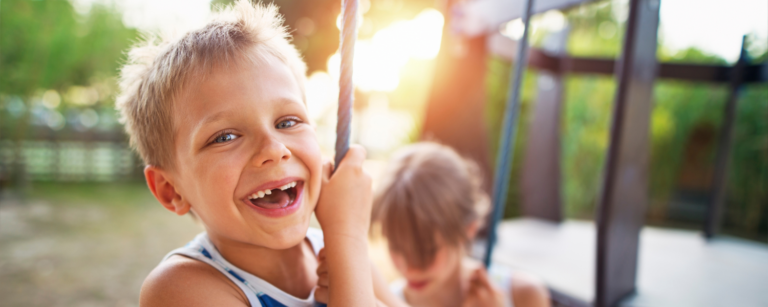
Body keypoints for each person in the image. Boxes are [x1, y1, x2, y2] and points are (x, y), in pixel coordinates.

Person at [115, 1, 403, 306]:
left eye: (287, 122)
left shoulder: (337, 251)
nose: (274, 150)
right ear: (170, 189)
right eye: (225, 137)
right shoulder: (179, 288)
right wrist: (348, 240)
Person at [372, 142, 551, 307]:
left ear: (468, 229)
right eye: (396, 247)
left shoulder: (523, 295)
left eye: (427, 250)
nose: (409, 267)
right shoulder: (384, 301)